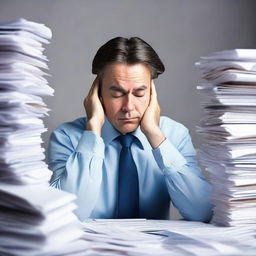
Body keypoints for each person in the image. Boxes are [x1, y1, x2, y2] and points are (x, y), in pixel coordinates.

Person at [48, 37, 213, 222]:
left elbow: (202, 212)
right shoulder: (67, 137)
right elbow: (68, 214)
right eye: (117, 94)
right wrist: (93, 129)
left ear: (152, 93)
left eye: (140, 93)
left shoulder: (175, 135)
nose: (128, 106)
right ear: (98, 94)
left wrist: (155, 135)